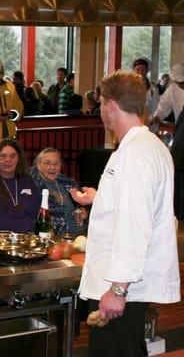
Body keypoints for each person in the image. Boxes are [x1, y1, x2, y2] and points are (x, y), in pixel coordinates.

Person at [71, 70, 180, 357]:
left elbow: (135, 224)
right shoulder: (151, 146)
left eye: (101, 104)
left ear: (110, 104)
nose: (101, 111)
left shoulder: (134, 154)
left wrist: (118, 290)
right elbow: (139, 206)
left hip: (122, 285)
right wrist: (100, 197)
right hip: (129, 283)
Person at [0, 138, 41, 233]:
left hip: (29, 239)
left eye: (12, 156)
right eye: (3, 156)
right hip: (1, 241)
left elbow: (38, 214)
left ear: (18, 158)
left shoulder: (27, 180)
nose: (8, 160)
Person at [30, 148, 86, 235]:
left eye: (56, 163)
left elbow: (82, 205)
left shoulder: (69, 182)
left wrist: (84, 211)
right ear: (38, 165)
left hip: (78, 236)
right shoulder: (33, 183)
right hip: (53, 237)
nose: (52, 167)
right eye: (47, 163)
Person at [132, 57, 160, 122]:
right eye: (138, 69)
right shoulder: (128, 85)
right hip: (132, 119)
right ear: (134, 70)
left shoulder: (153, 87)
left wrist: (152, 119)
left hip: (149, 120)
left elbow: (155, 106)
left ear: (147, 70)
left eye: (143, 69)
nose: (140, 72)